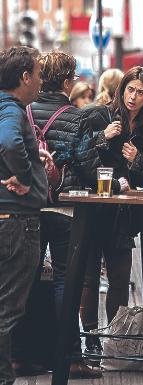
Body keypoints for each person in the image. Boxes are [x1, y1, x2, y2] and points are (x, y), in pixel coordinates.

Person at [24, 52, 127, 378]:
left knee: (26, 281)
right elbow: (86, 165)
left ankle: (23, 355)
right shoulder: (75, 116)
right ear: (68, 81)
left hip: (27, 207)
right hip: (65, 208)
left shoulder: (22, 111)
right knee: (65, 282)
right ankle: (69, 356)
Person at [80, 66, 143, 357]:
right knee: (88, 278)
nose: (134, 96)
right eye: (130, 89)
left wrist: (138, 159)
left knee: (119, 278)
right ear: (121, 89)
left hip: (124, 215)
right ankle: (91, 339)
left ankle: (113, 339)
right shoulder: (99, 115)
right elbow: (80, 155)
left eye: (141, 92)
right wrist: (102, 137)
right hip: (94, 209)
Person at [0, 46, 46, 385]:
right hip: (16, 221)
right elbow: (10, 143)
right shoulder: (12, 110)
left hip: (8, 218)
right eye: (39, 74)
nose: (42, 82)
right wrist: (27, 179)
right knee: (8, 309)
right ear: (24, 77)